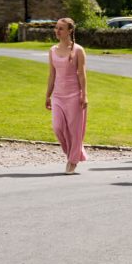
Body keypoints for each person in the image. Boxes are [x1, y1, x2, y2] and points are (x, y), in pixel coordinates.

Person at [45, 17, 88, 174]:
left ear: (70, 30)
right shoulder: (52, 50)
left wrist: (84, 94)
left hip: (74, 95)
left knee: (74, 130)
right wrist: (48, 96)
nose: (57, 31)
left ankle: (73, 160)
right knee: (58, 128)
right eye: (56, 28)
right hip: (58, 96)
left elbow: (82, 75)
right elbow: (52, 75)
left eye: (61, 28)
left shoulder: (78, 50)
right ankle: (74, 153)